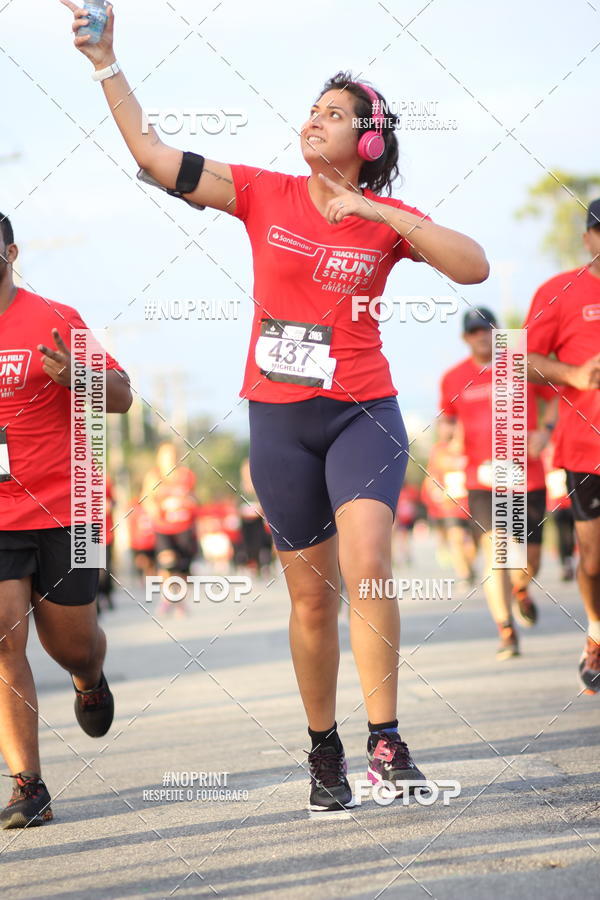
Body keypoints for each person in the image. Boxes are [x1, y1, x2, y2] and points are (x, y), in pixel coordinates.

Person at [62, 4, 489, 811]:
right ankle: (324, 749)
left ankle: (387, 740)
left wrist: (380, 212)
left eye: (335, 114)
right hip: (280, 421)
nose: (314, 120)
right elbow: (153, 156)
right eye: (312, 110)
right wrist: (105, 62)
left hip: (363, 412)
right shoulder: (263, 192)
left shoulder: (387, 224)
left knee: (369, 562)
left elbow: (473, 267)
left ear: (369, 142)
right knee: (311, 597)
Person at [0, 212, 132, 828]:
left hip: (69, 506)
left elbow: (122, 396)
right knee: (4, 639)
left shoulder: (56, 317)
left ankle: (89, 677)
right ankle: (28, 785)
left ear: (11, 253)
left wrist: (80, 378)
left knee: (70, 644)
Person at [439, 308, 557, 660]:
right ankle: (506, 629)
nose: (481, 335)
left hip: (526, 476)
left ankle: (521, 588)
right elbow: (447, 421)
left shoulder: (523, 365)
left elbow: (556, 399)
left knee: (528, 562)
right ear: (465, 338)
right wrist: (449, 439)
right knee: (497, 550)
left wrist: (545, 433)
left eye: (486, 329)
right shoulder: (453, 378)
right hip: (483, 479)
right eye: (474, 331)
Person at [524, 199, 600, 694]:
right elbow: (521, 357)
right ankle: (596, 632)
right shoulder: (560, 291)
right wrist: (572, 373)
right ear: (588, 237)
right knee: (593, 559)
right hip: (586, 447)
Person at [141, 443, 199, 617]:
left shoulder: (186, 475)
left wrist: (188, 501)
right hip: (163, 527)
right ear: (160, 457)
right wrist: (154, 510)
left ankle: (179, 599)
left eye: (173, 455)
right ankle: (167, 597)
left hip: (184, 526)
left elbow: (195, 498)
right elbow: (146, 498)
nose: (170, 459)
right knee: (167, 562)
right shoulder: (154, 476)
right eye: (166, 456)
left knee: (182, 567)